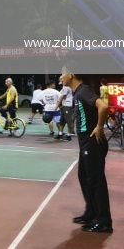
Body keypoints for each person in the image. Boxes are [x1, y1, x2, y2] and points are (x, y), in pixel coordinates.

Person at [61, 65, 112, 233]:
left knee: (96, 180)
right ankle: (91, 213)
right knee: (84, 176)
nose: (60, 76)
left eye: (62, 73)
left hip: (92, 143)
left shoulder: (83, 91)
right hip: (85, 144)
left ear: (71, 74)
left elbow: (103, 106)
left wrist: (99, 127)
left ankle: (104, 221)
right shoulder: (77, 93)